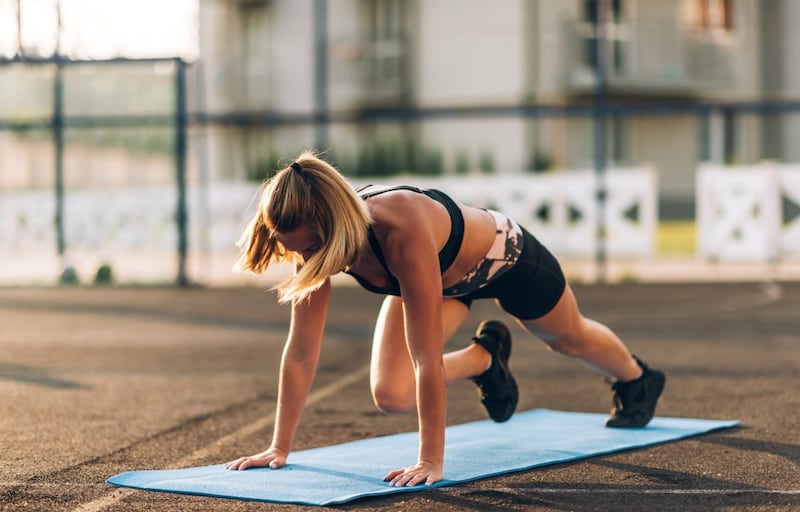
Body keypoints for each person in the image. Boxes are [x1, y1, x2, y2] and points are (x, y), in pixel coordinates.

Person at [224, 149, 666, 487]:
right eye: (296, 249)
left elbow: (426, 358)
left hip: (505, 261)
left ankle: (637, 378)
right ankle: (485, 359)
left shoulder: (401, 230)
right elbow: (301, 352)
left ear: (334, 226)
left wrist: (430, 460)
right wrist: (278, 448)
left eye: (309, 248)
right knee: (391, 394)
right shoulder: (315, 243)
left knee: (569, 338)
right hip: (444, 283)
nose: (303, 259)